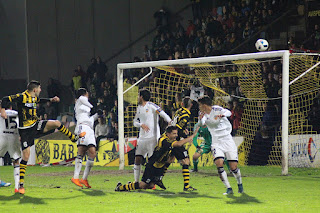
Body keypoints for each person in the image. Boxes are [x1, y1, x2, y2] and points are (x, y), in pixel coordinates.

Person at [1, 80, 86, 194]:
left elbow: (40, 100)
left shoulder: (34, 98)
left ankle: (73, 138)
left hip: (36, 125)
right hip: (25, 131)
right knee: (26, 156)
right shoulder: (21, 97)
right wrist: (2, 110)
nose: (41, 90)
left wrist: (51, 99)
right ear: (35, 89)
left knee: (56, 123)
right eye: (40, 88)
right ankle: (20, 185)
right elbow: (5, 99)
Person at [115, 125, 199, 192]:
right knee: (143, 185)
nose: (176, 135)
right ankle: (121, 187)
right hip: (152, 166)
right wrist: (192, 137)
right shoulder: (163, 140)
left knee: (150, 185)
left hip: (159, 166)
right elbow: (177, 144)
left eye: (176, 134)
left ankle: (132, 185)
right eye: (174, 134)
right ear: (168, 134)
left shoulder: (168, 139)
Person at [198, 95, 243, 195]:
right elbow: (202, 123)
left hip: (227, 140)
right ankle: (228, 188)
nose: (199, 107)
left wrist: (222, 115)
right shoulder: (202, 114)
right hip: (216, 142)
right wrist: (201, 120)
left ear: (205, 105)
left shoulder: (217, 109)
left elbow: (228, 112)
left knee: (233, 167)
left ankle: (239, 184)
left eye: (200, 105)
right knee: (219, 165)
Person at [133, 89, 172, 183]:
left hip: (153, 139)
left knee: (152, 162)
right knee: (137, 159)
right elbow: (134, 122)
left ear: (141, 96)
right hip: (142, 138)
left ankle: (151, 182)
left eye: (139, 95)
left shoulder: (151, 106)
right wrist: (140, 124)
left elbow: (162, 113)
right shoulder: (139, 108)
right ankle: (136, 182)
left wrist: (170, 122)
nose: (138, 97)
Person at [71, 88, 101, 188]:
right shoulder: (80, 100)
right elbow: (87, 103)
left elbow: (91, 118)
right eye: (87, 93)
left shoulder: (85, 111)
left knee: (92, 153)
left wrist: (99, 113)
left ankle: (84, 179)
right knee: (81, 151)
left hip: (89, 130)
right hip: (82, 127)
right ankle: (75, 177)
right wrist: (94, 106)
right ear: (85, 94)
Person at [166, 96, 196, 191]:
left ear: (182, 104)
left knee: (169, 159)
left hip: (170, 138)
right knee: (186, 161)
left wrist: (184, 130)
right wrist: (186, 137)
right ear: (191, 105)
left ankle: (157, 178)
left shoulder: (178, 111)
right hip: (176, 140)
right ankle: (186, 186)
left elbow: (175, 124)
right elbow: (178, 129)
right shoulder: (186, 115)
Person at [0, 102, 19, 192]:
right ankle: (17, 186)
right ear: (11, 107)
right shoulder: (16, 113)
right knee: (16, 162)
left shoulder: (1, 114)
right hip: (13, 139)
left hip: (2, 138)